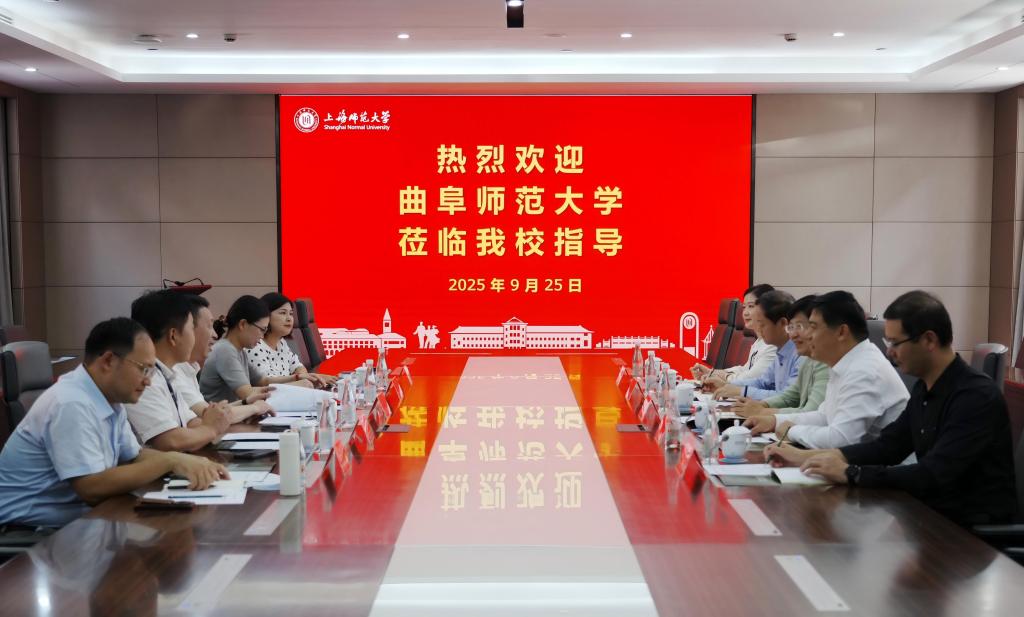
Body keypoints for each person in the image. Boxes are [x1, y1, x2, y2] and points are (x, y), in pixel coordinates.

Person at [764, 291, 1016, 527]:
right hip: (930, 513)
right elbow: (889, 446)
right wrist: (823, 458)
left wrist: (852, 473)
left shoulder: (974, 396)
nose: (889, 352)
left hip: (969, 531)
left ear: (929, 340)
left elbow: (933, 474)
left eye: (895, 342)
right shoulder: (926, 387)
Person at [0, 318, 228, 528]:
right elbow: (91, 487)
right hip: (30, 532)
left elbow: (133, 455)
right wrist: (170, 460)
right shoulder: (71, 402)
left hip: (80, 519)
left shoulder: (109, 398)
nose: (148, 381)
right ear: (108, 360)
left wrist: (188, 461)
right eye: (143, 369)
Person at [744, 291, 908, 448]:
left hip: (883, 466)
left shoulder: (865, 370)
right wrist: (774, 421)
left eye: (813, 327)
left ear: (841, 332)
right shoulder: (844, 362)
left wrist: (791, 431)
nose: (808, 335)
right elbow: (824, 416)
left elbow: (841, 439)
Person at [175, 294, 274, 423]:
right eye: (209, 326)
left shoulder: (190, 369)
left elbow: (209, 413)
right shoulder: (224, 350)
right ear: (174, 334)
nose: (215, 335)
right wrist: (254, 407)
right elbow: (207, 416)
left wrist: (246, 403)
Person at [199, 295, 313, 403]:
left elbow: (263, 381)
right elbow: (248, 394)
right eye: (262, 330)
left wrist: (297, 377)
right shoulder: (225, 351)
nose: (262, 336)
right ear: (243, 324)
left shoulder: (239, 351)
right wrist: (297, 385)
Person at [731, 295, 830, 418]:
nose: (793, 334)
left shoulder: (821, 361)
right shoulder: (809, 358)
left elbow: (811, 413)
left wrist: (761, 411)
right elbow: (790, 396)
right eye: (791, 327)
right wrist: (761, 406)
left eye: (800, 327)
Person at [713, 290, 801, 401]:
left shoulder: (800, 354)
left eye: (762, 324)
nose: (758, 328)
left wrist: (741, 391)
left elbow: (788, 398)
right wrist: (727, 385)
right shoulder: (781, 350)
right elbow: (762, 382)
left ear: (783, 323)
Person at [693, 284, 778, 384]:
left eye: (751, 306)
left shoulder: (773, 345)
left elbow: (749, 380)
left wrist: (723, 377)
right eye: (744, 307)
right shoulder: (760, 341)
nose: (745, 313)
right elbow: (745, 369)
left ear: (767, 309)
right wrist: (712, 372)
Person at [247, 293, 336, 387]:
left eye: (291, 313)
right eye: (283, 313)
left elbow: (298, 366)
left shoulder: (281, 342)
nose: (289, 318)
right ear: (265, 316)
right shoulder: (254, 346)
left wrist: (310, 377)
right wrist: (303, 381)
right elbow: (266, 384)